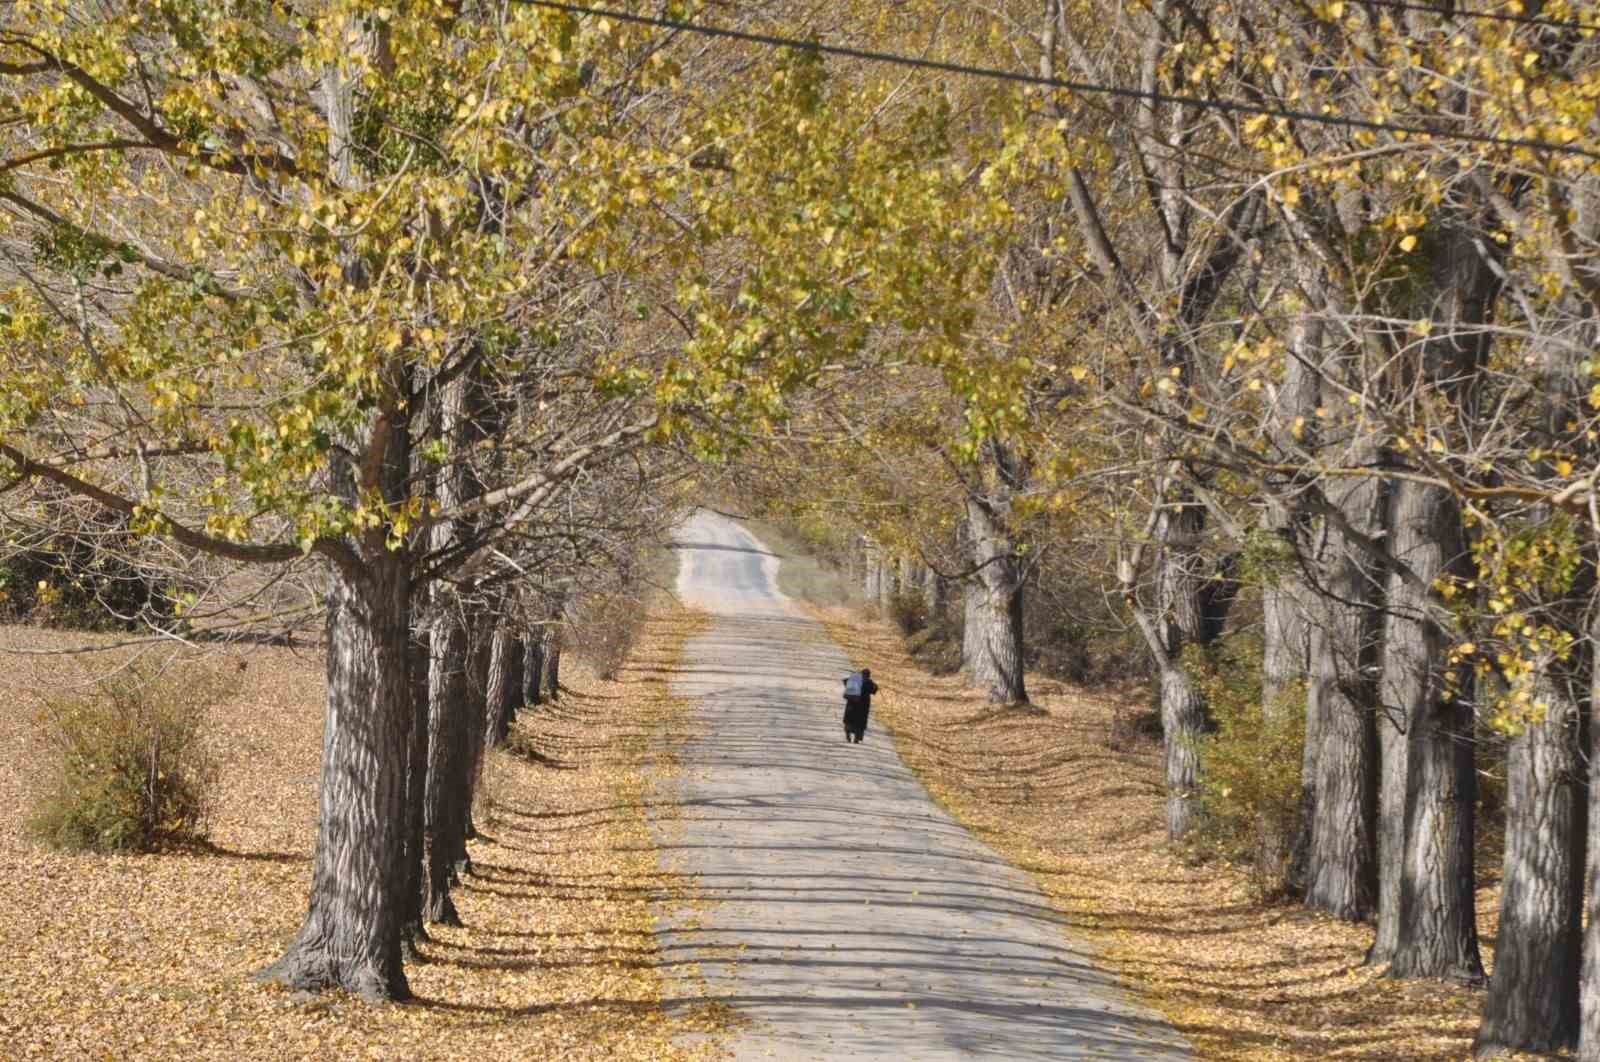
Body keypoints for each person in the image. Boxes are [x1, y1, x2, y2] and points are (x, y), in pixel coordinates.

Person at [841, 667, 878, 743]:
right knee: (860, 723)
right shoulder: (869, 683)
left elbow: (845, 681)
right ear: (869, 675)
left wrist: (854, 677)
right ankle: (857, 738)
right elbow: (874, 690)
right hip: (863, 706)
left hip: (851, 704)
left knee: (849, 720)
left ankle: (848, 732)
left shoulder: (855, 680)